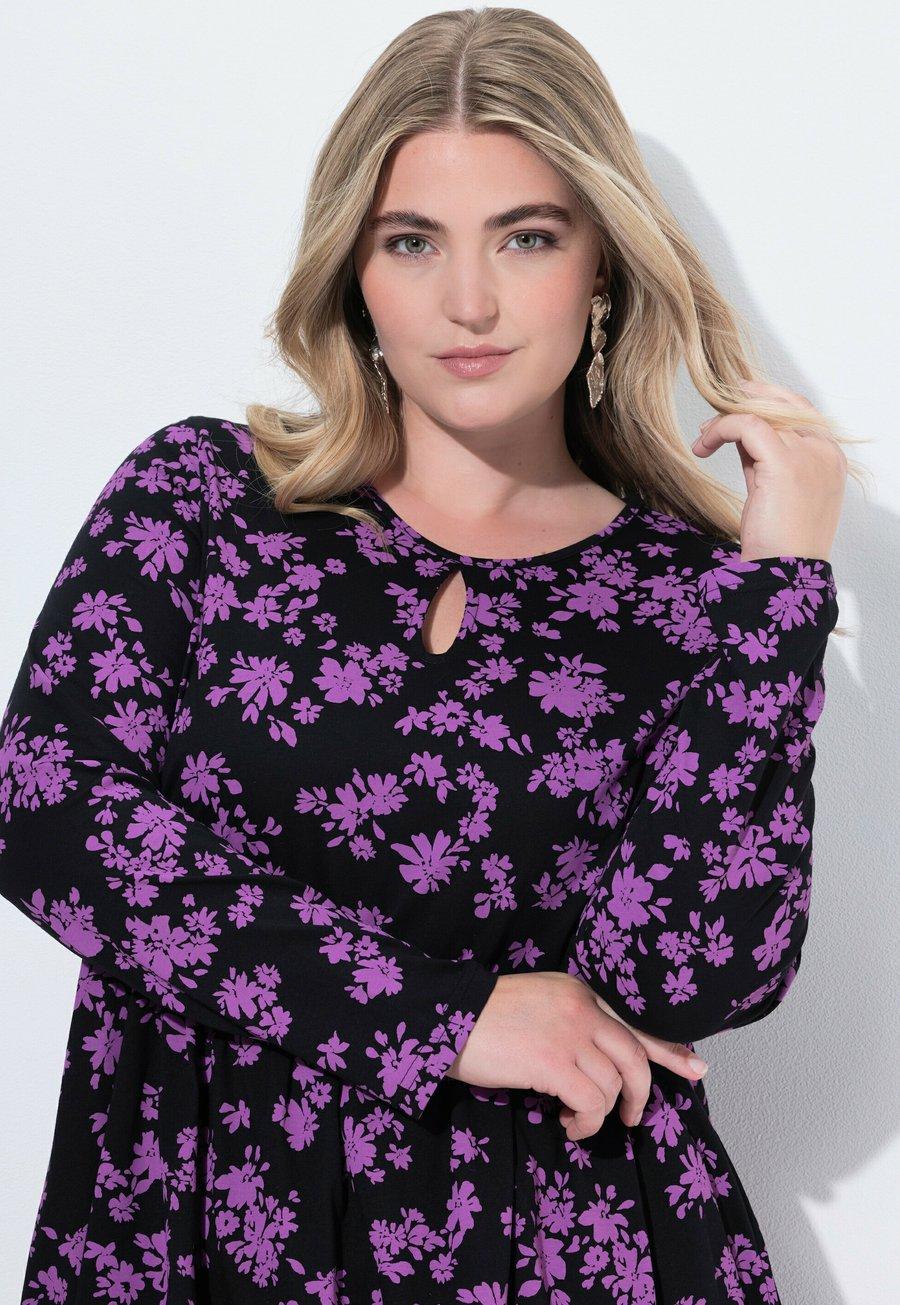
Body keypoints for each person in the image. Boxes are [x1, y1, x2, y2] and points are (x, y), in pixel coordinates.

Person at [1, 8, 855, 1304]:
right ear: (354, 267)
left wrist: (781, 582)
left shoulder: (692, 596)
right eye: (412, 241)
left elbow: (685, 972)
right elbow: (48, 814)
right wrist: (445, 1014)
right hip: (197, 1233)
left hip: (553, 1252)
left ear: (605, 263)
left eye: (527, 236)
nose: (470, 302)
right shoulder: (205, 499)